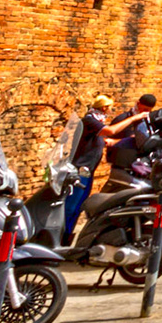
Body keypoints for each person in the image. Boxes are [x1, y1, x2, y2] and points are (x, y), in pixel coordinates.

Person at [64, 95, 113, 237]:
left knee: (79, 204)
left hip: (88, 171)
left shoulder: (97, 122)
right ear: (104, 108)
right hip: (81, 170)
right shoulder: (90, 120)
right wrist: (133, 119)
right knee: (72, 205)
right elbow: (110, 131)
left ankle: (68, 234)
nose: (111, 110)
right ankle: (63, 233)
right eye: (110, 107)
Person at [100, 94, 158, 185]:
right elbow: (108, 141)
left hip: (139, 166)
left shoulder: (148, 122)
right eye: (144, 109)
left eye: (148, 110)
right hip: (122, 165)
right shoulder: (122, 119)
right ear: (138, 104)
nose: (145, 112)